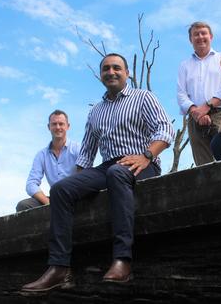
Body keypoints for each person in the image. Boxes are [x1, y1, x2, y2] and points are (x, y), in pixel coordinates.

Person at [21, 53, 175, 292]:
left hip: (142, 162)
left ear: (127, 73)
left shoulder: (143, 97)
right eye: (106, 69)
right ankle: (59, 268)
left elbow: (166, 129)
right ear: (101, 75)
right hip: (108, 166)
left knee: (116, 172)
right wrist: (78, 183)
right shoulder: (96, 111)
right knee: (62, 188)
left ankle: (122, 260)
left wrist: (147, 156)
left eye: (116, 68)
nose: (111, 72)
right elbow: (86, 154)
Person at [177, 21, 221, 166]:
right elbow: (181, 95)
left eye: (203, 33)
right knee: (203, 164)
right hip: (195, 119)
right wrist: (196, 113)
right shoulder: (184, 65)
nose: (200, 37)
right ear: (190, 39)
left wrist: (206, 107)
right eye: (196, 34)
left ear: (210, 36)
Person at [16, 110, 81, 212]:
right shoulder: (41, 155)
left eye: (61, 124)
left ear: (68, 126)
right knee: (23, 205)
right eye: (54, 124)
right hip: (54, 199)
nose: (58, 127)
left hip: (75, 196)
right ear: (48, 127)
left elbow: (84, 175)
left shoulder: (78, 149)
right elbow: (31, 184)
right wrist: (48, 203)